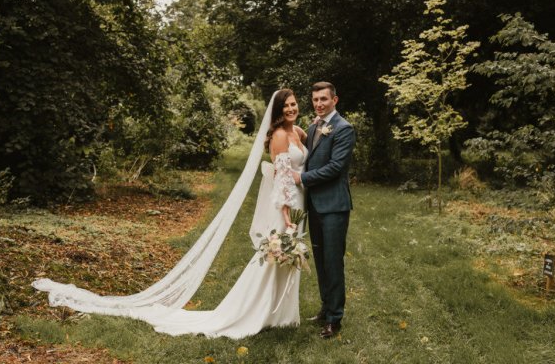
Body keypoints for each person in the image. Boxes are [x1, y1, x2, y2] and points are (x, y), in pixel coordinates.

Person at [33, 89, 309, 339]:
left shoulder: (297, 131)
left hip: (298, 201)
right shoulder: (281, 136)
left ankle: (281, 314)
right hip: (284, 205)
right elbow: (282, 178)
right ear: (276, 110)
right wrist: (285, 215)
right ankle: (253, 312)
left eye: (294, 104)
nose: (291, 108)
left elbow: (308, 149)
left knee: (284, 260)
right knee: (274, 257)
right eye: (285, 106)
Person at [292, 81, 356, 339]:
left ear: (335, 100)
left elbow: (335, 167)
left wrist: (301, 179)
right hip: (314, 206)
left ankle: (335, 319)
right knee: (320, 261)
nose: (319, 104)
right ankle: (325, 307)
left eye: (323, 99)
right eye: (315, 100)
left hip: (334, 207)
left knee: (333, 261)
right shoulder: (313, 125)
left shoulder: (344, 128)